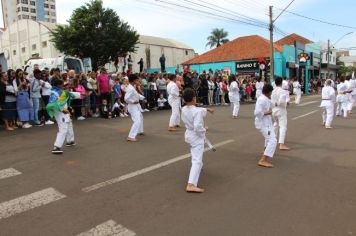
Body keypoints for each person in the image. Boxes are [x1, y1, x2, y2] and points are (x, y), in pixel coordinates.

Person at [181, 88, 214, 193]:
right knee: (197, 161)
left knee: (195, 154)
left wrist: (208, 109)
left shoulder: (184, 109)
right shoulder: (196, 111)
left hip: (189, 135)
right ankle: (191, 184)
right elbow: (198, 127)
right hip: (196, 136)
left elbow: (198, 110)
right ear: (194, 98)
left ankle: (198, 169)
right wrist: (204, 130)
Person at [46, 78, 78, 154]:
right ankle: (56, 147)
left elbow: (69, 94)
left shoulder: (59, 91)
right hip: (60, 112)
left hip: (65, 112)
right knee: (63, 128)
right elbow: (51, 104)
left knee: (69, 125)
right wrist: (61, 109)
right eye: (62, 84)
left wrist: (81, 94)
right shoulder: (55, 93)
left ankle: (70, 141)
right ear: (58, 85)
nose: (63, 86)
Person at [254, 84, 277, 168]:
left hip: (267, 122)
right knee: (273, 140)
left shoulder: (266, 98)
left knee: (270, 137)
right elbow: (257, 113)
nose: (271, 94)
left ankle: (265, 150)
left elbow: (272, 104)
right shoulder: (261, 100)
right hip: (262, 123)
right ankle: (263, 160)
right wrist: (268, 112)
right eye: (271, 92)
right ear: (269, 92)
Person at [125, 74, 146, 142]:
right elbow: (126, 98)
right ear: (134, 80)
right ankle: (131, 136)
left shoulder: (132, 86)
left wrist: (142, 98)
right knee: (137, 120)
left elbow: (136, 94)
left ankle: (140, 130)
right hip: (132, 106)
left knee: (140, 117)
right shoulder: (130, 88)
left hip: (135, 106)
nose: (138, 81)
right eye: (137, 80)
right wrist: (133, 101)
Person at [271, 77, 290, 151]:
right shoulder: (282, 91)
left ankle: (273, 139)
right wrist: (287, 103)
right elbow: (281, 102)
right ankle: (281, 144)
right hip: (280, 110)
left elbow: (271, 101)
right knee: (283, 127)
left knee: (275, 124)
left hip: (273, 110)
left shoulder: (273, 91)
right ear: (281, 83)